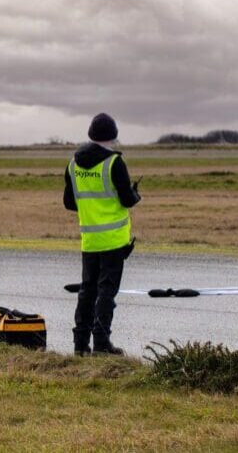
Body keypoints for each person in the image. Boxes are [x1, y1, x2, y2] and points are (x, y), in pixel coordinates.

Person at [64, 113, 141, 355]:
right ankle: (101, 342)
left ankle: (80, 344)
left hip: (89, 239)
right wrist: (135, 194)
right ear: (113, 136)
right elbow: (127, 200)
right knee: (107, 291)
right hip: (113, 240)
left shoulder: (73, 164)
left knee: (87, 291)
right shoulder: (114, 163)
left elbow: (70, 202)